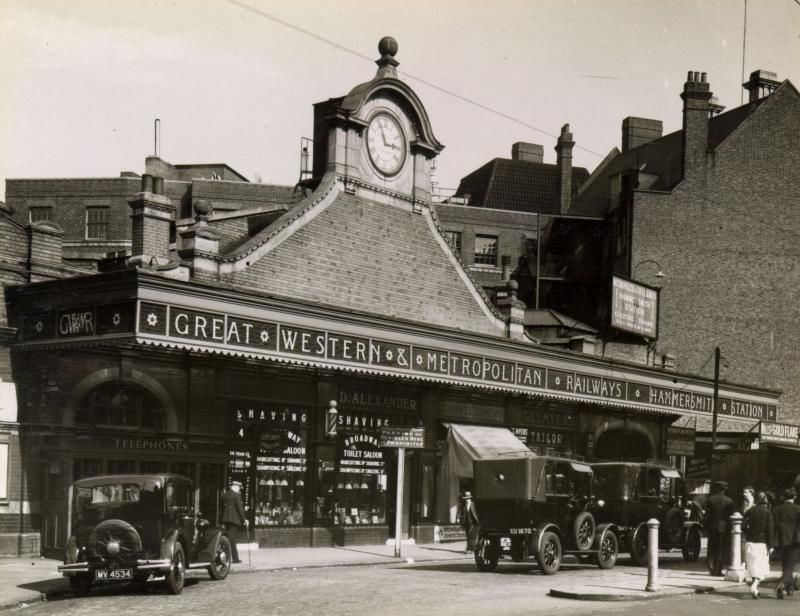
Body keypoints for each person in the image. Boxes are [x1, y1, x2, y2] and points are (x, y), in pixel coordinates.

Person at [743, 491, 772, 599]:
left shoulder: (750, 511)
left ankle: (755, 589)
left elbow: (743, 527)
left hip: (750, 542)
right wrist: (771, 545)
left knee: (753, 567)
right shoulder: (768, 512)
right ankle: (755, 585)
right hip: (762, 542)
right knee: (760, 567)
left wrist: (748, 533)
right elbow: (770, 530)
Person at [771, 487, 800, 598]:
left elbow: (773, 526)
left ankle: (790, 587)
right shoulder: (798, 509)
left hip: (781, 540)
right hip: (795, 541)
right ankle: (781, 585)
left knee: (786, 564)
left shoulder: (776, 509)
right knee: (790, 565)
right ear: (794, 497)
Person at [704, 480, 734, 576]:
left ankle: (711, 568)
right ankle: (718, 570)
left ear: (717, 488)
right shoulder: (729, 501)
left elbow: (707, 515)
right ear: (725, 489)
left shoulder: (710, 499)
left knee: (711, 548)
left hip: (712, 527)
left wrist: (706, 526)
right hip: (724, 528)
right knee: (721, 549)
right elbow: (731, 516)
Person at [221, 480, 249, 564]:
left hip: (226, 519)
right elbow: (240, 508)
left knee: (231, 539)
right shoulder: (237, 495)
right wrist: (244, 519)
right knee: (231, 539)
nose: (239, 489)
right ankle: (227, 557)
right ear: (235, 487)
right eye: (239, 488)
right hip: (234, 520)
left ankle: (235, 558)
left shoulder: (225, 495)